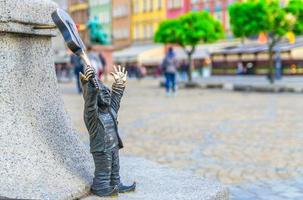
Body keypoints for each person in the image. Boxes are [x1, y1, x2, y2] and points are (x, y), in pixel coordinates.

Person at [80, 65, 136, 197]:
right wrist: (90, 85)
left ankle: (116, 183)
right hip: (101, 148)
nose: (107, 92)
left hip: (113, 146)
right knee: (104, 170)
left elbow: (116, 97)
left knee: (115, 168)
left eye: (107, 91)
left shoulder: (111, 111)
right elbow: (89, 102)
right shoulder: (92, 116)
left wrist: (120, 83)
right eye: (102, 92)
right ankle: (101, 186)